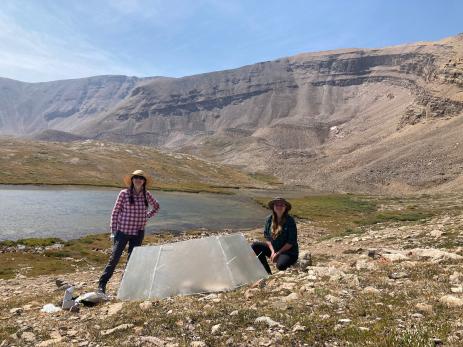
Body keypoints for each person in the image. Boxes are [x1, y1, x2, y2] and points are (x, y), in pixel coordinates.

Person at [98, 170, 160, 293]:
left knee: (132, 260)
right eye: (136, 177)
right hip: (122, 232)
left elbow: (156, 206)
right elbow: (115, 212)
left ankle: (125, 285)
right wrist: (113, 231)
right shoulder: (124, 193)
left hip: (138, 232)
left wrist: (146, 216)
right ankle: (102, 284)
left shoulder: (146, 194)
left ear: (144, 181)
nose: (138, 179)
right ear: (132, 180)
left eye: (141, 178)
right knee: (114, 258)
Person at [251, 197, 298, 274]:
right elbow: (267, 238)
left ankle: (283, 260)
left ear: (285, 207)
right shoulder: (269, 219)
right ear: (273, 207)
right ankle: (267, 272)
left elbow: (291, 242)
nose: (279, 207)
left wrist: (278, 253)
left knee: (281, 266)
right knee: (255, 246)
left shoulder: (290, 220)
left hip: (288, 252)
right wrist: (273, 252)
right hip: (275, 249)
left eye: (281, 205)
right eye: (277, 205)